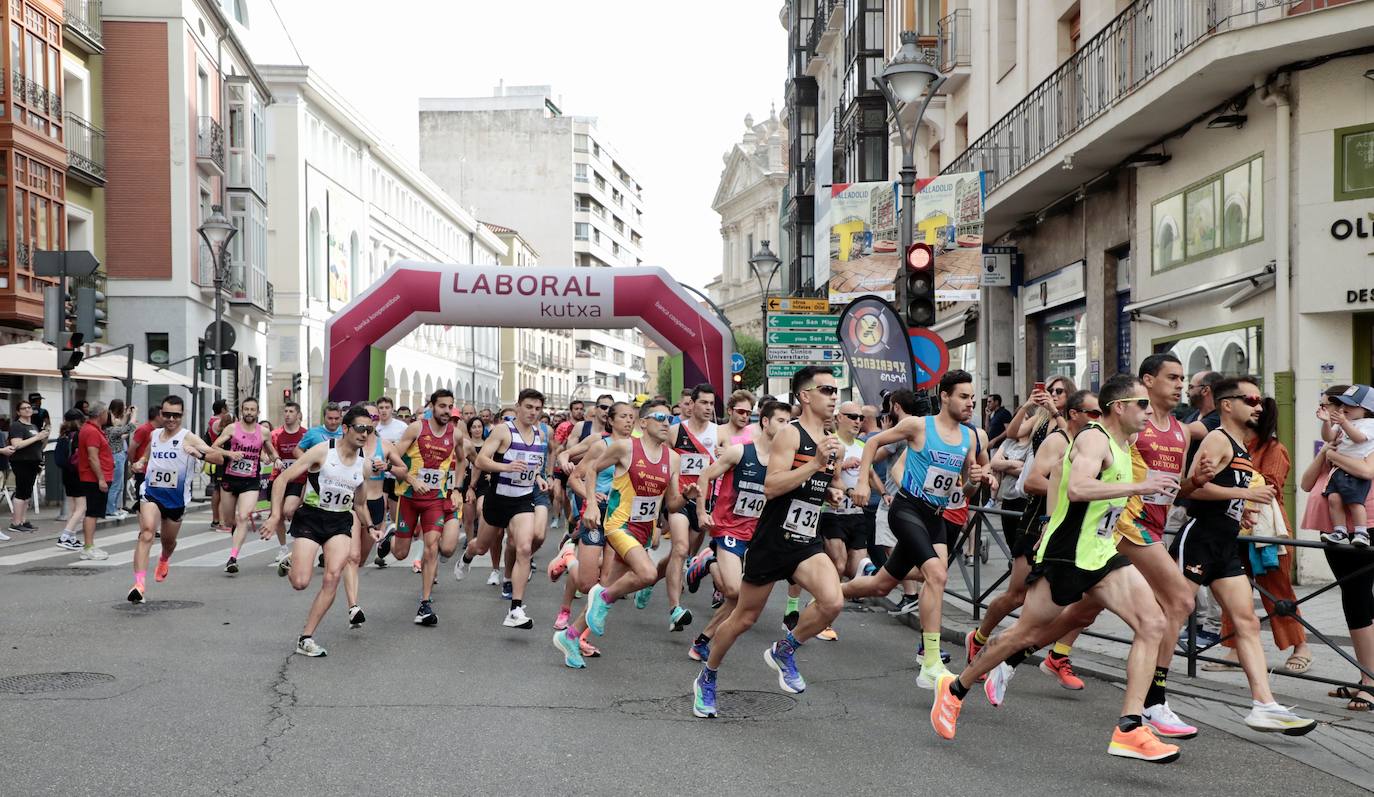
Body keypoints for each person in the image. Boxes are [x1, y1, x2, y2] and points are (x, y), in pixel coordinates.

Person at [930, 374, 1182, 762]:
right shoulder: (1095, 439)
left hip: (1100, 552)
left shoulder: (1124, 442)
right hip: (1067, 554)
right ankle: (955, 689)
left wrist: (1149, 482)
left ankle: (1130, 728)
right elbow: (1078, 488)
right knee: (1024, 634)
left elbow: (1080, 483)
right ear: (1120, 408)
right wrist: (1139, 488)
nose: (1149, 412)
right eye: (1143, 404)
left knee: (1152, 623)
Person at [690, 366, 844, 718]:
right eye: (826, 390)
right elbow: (771, 486)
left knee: (833, 602)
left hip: (806, 539)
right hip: (773, 540)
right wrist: (815, 464)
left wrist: (831, 492)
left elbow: (813, 484)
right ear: (805, 396)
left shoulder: (830, 439)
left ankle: (784, 649)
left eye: (836, 391)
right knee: (743, 619)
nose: (834, 397)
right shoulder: (790, 434)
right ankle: (708, 675)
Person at [1169, 375, 1315, 734]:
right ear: (1227, 404)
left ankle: (1264, 705)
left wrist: (1240, 508)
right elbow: (1190, 492)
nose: (1258, 406)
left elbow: (1224, 492)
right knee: (1171, 617)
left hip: (1226, 544)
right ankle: (1151, 698)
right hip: (1200, 539)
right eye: (1250, 400)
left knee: (1247, 621)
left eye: (1260, 401)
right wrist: (1245, 496)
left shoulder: (1241, 446)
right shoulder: (1217, 438)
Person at [848, 371, 991, 687]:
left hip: (935, 516)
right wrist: (861, 482)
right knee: (937, 574)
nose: (970, 403)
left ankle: (832, 593)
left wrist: (975, 480)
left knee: (882, 584)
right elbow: (873, 443)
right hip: (907, 508)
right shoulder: (918, 425)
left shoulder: (970, 438)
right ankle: (930, 661)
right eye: (963, 397)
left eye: (972, 397)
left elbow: (964, 490)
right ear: (945, 396)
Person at [965, 387, 1096, 684]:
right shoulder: (1057, 438)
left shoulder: (1096, 445)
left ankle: (1057, 655)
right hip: (1037, 523)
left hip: (1073, 529)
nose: (1098, 418)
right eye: (1093, 413)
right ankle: (980, 638)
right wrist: (1072, 490)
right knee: (1017, 595)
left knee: (1082, 599)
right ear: (1074, 412)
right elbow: (1032, 482)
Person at [553, 399, 691, 668]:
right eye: (659, 418)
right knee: (647, 574)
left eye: (669, 419)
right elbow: (590, 469)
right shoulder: (625, 447)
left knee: (607, 585)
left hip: (642, 530)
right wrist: (592, 504)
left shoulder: (673, 458)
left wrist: (686, 497)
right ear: (644, 423)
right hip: (619, 524)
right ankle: (601, 598)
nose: (666, 423)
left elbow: (672, 504)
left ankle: (570, 636)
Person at [1206, 396, 1313, 674]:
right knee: (1233, 590)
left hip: (1267, 531)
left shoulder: (1274, 448)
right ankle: (1233, 648)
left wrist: (1232, 477)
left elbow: (1271, 487)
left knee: (1278, 591)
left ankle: (1300, 646)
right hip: (1235, 525)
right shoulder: (1232, 443)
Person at [262, 405, 375, 658]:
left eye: (369, 430)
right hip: (312, 518)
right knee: (300, 583)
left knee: (332, 576)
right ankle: (292, 562)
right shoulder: (323, 451)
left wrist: (370, 527)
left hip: (340, 522)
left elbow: (359, 504)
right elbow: (282, 479)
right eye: (360, 428)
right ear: (345, 428)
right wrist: (275, 516)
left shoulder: (364, 465)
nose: (364, 434)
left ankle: (306, 637)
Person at [686, 399, 792, 663]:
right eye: (781, 421)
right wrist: (701, 512)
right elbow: (705, 476)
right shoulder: (739, 452)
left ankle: (702, 641)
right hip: (729, 529)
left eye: (789, 422)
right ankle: (710, 561)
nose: (786, 427)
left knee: (742, 599)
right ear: (765, 422)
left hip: (759, 535)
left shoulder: (785, 462)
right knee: (734, 591)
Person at [1300, 384, 1374, 712]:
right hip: (1334, 531)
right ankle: (1365, 677)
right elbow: (1306, 483)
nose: (1332, 412)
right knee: (1355, 600)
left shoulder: (1367, 435)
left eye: (1337, 406)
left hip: (1364, 529)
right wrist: (1326, 451)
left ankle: (1369, 683)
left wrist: (1333, 454)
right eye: (1330, 406)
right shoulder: (1339, 440)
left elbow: (1366, 470)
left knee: (1359, 601)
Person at [126, 396, 236, 603]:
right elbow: (148, 452)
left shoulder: (189, 437)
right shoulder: (155, 434)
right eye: (167, 414)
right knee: (147, 532)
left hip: (175, 499)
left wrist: (198, 454)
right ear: (161, 414)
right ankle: (139, 585)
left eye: (175, 415)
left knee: (168, 542)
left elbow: (219, 458)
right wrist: (141, 462)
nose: (171, 419)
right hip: (151, 493)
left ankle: (164, 559)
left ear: (182, 415)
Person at [458, 388, 548, 630]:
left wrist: (538, 477)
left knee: (524, 548)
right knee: (481, 546)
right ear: (518, 406)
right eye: (529, 407)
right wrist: (506, 468)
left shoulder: (539, 434)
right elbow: (480, 460)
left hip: (523, 500)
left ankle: (515, 609)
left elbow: (532, 466)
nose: (533, 412)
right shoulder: (503, 431)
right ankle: (467, 556)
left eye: (538, 409)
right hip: (498, 499)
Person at [390, 389, 466, 626]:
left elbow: (462, 460)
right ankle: (390, 536)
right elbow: (393, 457)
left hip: (435, 500)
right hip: (409, 497)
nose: (446, 411)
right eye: (442, 406)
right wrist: (411, 479)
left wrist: (457, 488)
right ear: (432, 406)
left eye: (450, 407)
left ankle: (424, 603)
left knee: (432, 547)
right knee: (400, 553)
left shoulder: (456, 434)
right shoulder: (416, 428)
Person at [657, 383, 719, 631]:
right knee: (680, 548)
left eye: (712, 403)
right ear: (691, 404)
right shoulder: (675, 432)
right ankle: (675, 609)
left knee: (683, 554)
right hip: (679, 499)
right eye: (703, 402)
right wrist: (659, 509)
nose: (708, 407)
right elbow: (662, 468)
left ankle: (650, 581)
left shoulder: (719, 433)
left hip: (704, 502)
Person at [211, 398, 281, 574]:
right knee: (230, 520)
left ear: (258, 412)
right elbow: (214, 447)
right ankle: (237, 531)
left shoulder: (263, 432)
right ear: (242, 411)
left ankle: (233, 558)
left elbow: (271, 451)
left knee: (243, 516)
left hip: (250, 481)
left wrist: (277, 459)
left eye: (252, 410)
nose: (249, 412)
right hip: (230, 478)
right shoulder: (232, 428)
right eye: (246, 409)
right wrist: (230, 453)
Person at [1318, 384, 1374, 546]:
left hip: (1355, 470)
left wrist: (1343, 423)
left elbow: (1359, 438)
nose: (1344, 407)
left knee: (1355, 501)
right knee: (1333, 498)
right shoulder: (1343, 421)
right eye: (1343, 403)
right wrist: (1326, 422)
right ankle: (1339, 531)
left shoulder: (1369, 423)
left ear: (1366, 409)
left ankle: (1361, 532)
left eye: (1350, 404)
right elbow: (1328, 437)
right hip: (1339, 469)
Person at [268, 402, 308, 570]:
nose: (287, 414)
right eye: (285, 411)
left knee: (288, 510)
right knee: (277, 515)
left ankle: (300, 539)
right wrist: (271, 458)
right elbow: (267, 451)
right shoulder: (276, 434)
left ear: (298, 415)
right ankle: (283, 548)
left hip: (298, 479)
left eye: (291, 411)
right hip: (279, 479)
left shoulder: (305, 434)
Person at [75, 402, 114, 560]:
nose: (108, 416)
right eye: (106, 413)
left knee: (93, 512)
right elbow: (92, 457)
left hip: (94, 477)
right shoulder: (91, 431)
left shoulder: (92, 429)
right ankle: (88, 547)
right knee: (92, 512)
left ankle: (89, 545)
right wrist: (101, 479)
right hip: (93, 478)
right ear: (101, 414)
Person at [5, 397, 47, 534]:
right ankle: (15, 522)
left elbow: (37, 445)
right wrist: (36, 437)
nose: (28, 410)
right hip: (21, 461)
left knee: (27, 492)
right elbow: (16, 444)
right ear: (18, 412)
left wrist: (43, 438)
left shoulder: (33, 426)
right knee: (21, 492)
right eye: (24, 408)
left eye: (29, 407)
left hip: (33, 461)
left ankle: (23, 520)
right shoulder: (17, 426)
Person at [54, 410, 86, 550]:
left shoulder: (63, 436)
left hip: (67, 474)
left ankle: (72, 538)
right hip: (78, 474)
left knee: (73, 508)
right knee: (81, 508)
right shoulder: (79, 435)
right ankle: (64, 537)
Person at [104, 400, 137, 518]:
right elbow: (129, 427)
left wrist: (127, 415)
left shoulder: (110, 430)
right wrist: (134, 414)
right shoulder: (111, 430)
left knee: (118, 485)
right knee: (116, 485)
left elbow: (122, 430)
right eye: (114, 418)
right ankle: (110, 510)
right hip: (116, 457)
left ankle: (113, 508)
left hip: (117, 456)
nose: (117, 420)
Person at [128, 406, 162, 515]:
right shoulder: (144, 429)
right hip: (143, 470)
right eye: (163, 415)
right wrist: (133, 464)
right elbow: (131, 448)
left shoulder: (159, 431)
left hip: (155, 470)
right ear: (157, 416)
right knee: (143, 498)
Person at [207, 399, 233, 531]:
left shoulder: (212, 421)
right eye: (226, 406)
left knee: (218, 490)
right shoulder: (218, 422)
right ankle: (222, 522)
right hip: (222, 459)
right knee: (223, 491)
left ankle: (216, 520)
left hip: (218, 458)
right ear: (222, 409)